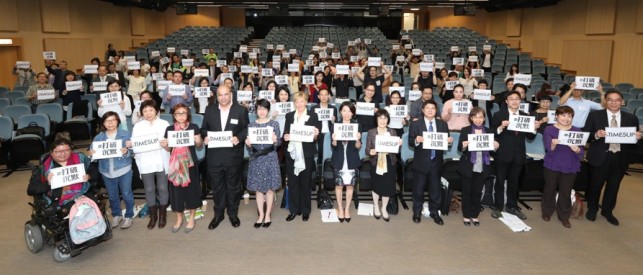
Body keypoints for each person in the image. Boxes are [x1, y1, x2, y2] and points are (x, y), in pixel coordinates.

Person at [583, 90, 642, 226]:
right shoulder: (594, 116)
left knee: (614, 186)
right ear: (605, 101)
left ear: (622, 101)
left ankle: (607, 211)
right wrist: (596, 135)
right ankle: (592, 209)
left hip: (620, 157)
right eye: (610, 99)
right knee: (595, 185)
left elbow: (634, 141)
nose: (613, 102)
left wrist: (638, 138)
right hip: (600, 156)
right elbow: (586, 134)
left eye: (617, 100)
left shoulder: (631, 118)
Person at [202, 85, 249, 229]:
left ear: (231, 95)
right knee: (217, 187)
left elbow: (246, 128)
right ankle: (218, 215)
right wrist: (205, 137)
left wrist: (238, 138)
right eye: (220, 95)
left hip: (233, 156)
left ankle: (233, 214)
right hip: (215, 156)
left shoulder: (240, 110)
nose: (223, 97)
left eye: (226, 94)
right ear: (216, 96)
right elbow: (204, 129)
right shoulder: (209, 110)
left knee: (233, 187)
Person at [490, 91, 539, 220]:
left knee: (514, 183)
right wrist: (501, 127)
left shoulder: (525, 116)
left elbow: (530, 137)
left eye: (517, 99)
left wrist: (534, 128)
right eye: (511, 99)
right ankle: (497, 207)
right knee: (500, 182)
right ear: (506, 101)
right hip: (503, 154)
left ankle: (512, 206)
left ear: (520, 101)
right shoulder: (498, 115)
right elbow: (492, 133)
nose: (514, 101)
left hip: (518, 155)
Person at [160, 104, 203, 233]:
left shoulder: (193, 127)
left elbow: (199, 146)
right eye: (178, 113)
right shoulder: (170, 129)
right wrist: (164, 146)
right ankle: (179, 218)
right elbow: (169, 149)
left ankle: (191, 218)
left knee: (192, 191)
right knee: (176, 192)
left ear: (187, 115)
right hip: (175, 165)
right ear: (174, 115)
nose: (181, 116)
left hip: (190, 164)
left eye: (183, 113)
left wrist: (198, 140)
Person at [408, 100, 452, 225]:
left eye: (433, 108)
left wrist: (449, 141)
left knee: (435, 189)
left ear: (436, 110)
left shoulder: (443, 124)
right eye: (427, 108)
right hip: (421, 162)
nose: (430, 110)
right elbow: (410, 141)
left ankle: (435, 212)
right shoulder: (416, 124)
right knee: (418, 189)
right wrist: (416, 140)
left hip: (436, 162)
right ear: (423, 110)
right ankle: (417, 212)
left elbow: (446, 143)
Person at [88, 111, 134, 229]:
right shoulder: (98, 137)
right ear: (103, 123)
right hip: (106, 171)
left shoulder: (125, 134)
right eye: (107, 121)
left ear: (118, 121)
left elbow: (133, 151)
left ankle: (129, 215)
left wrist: (127, 151)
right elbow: (92, 157)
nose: (110, 123)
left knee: (126, 194)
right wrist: (91, 153)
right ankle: (116, 215)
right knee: (112, 195)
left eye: (113, 120)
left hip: (123, 169)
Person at [541, 106, 584, 228]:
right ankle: (547, 211)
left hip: (570, 165)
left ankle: (564, 216)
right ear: (556, 116)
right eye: (563, 115)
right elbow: (549, 149)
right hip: (553, 163)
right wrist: (553, 144)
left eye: (569, 116)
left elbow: (581, 153)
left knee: (566, 191)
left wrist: (576, 149)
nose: (566, 118)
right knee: (549, 189)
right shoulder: (549, 129)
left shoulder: (577, 131)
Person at [132, 100, 170, 229]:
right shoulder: (138, 126)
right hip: (146, 161)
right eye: (145, 111)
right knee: (149, 189)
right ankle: (153, 216)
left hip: (161, 159)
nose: (148, 113)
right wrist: (131, 144)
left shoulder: (164, 124)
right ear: (141, 113)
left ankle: (163, 215)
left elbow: (170, 144)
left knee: (163, 188)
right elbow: (135, 144)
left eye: (151, 110)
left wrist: (166, 144)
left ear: (156, 111)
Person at [457, 107, 499, 227]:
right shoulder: (465, 130)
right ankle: (466, 215)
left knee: (477, 191)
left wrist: (495, 147)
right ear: (471, 118)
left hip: (483, 165)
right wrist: (464, 146)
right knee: (466, 192)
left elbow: (492, 152)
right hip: (468, 166)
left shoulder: (489, 131)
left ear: (484, 118)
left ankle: (474, 214)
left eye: (480, 117)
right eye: (475, 117)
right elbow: (460, 149)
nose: (478, 119)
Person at [283, 92, 320, 222]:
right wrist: (286, 136)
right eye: (297, 101)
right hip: (292, 153)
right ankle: (294, 210)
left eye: (301, 101)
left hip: (307, 153)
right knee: (293, 183)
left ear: (306, 102)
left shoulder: (313, 116)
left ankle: (305, 210)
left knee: (305, 183)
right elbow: (286, 132)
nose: (299, 104)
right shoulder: (289, 116)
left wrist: (315, 134)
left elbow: (315, 137)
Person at [245, 99, 282, 228]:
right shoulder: (251, 125)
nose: (262, 111)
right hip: (256, 159)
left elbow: (279, 144)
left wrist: (275, 141)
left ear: (268, 110)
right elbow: (251, 146)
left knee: (270, 189)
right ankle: (260, 214)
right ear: (256, 110)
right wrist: (249, 144)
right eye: (259, 109)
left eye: (264, 109)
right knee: (258, 189)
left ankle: (267, 215)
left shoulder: (274, 124)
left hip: (270, 157)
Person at [37, 138, 95, 210]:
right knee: (76, 210)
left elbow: (95, 170)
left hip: (83, 192)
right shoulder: (44, 168)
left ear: (71, 150)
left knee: (93, 207)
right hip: (58, 198)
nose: (63, 154)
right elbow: (31, 189)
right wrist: (48, 183)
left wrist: (89, 176)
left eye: (66, 150)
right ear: (51, 153)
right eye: (58, 151)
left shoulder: (80, 158)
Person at [365, 109, 401, 222]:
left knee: (388, 186)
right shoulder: (371, 132)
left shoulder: (393, 131)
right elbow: (367, 149)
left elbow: (397, 151)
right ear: (376, 119)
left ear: (388, 119)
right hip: (376, 162)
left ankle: (384, 208)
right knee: (376, 184)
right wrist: (370, 151)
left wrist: (399, 145)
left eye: (385, 118)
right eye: (380, 118)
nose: (382, 120)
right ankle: (376, 205)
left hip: (390, 161)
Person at [330, 102, 362, 223]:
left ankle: (347, 209)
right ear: (340, 112)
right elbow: (333, 145)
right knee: (338, 185)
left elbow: (358, 146)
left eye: (349, 111)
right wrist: (334, 139)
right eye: (344, 110)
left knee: (350, 185)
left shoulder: (356, 125)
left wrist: (358, 139)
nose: (346, 113)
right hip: (338, 158)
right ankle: (340, 208)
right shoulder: (336, 125)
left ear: (352, 113)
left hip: (352, 159)